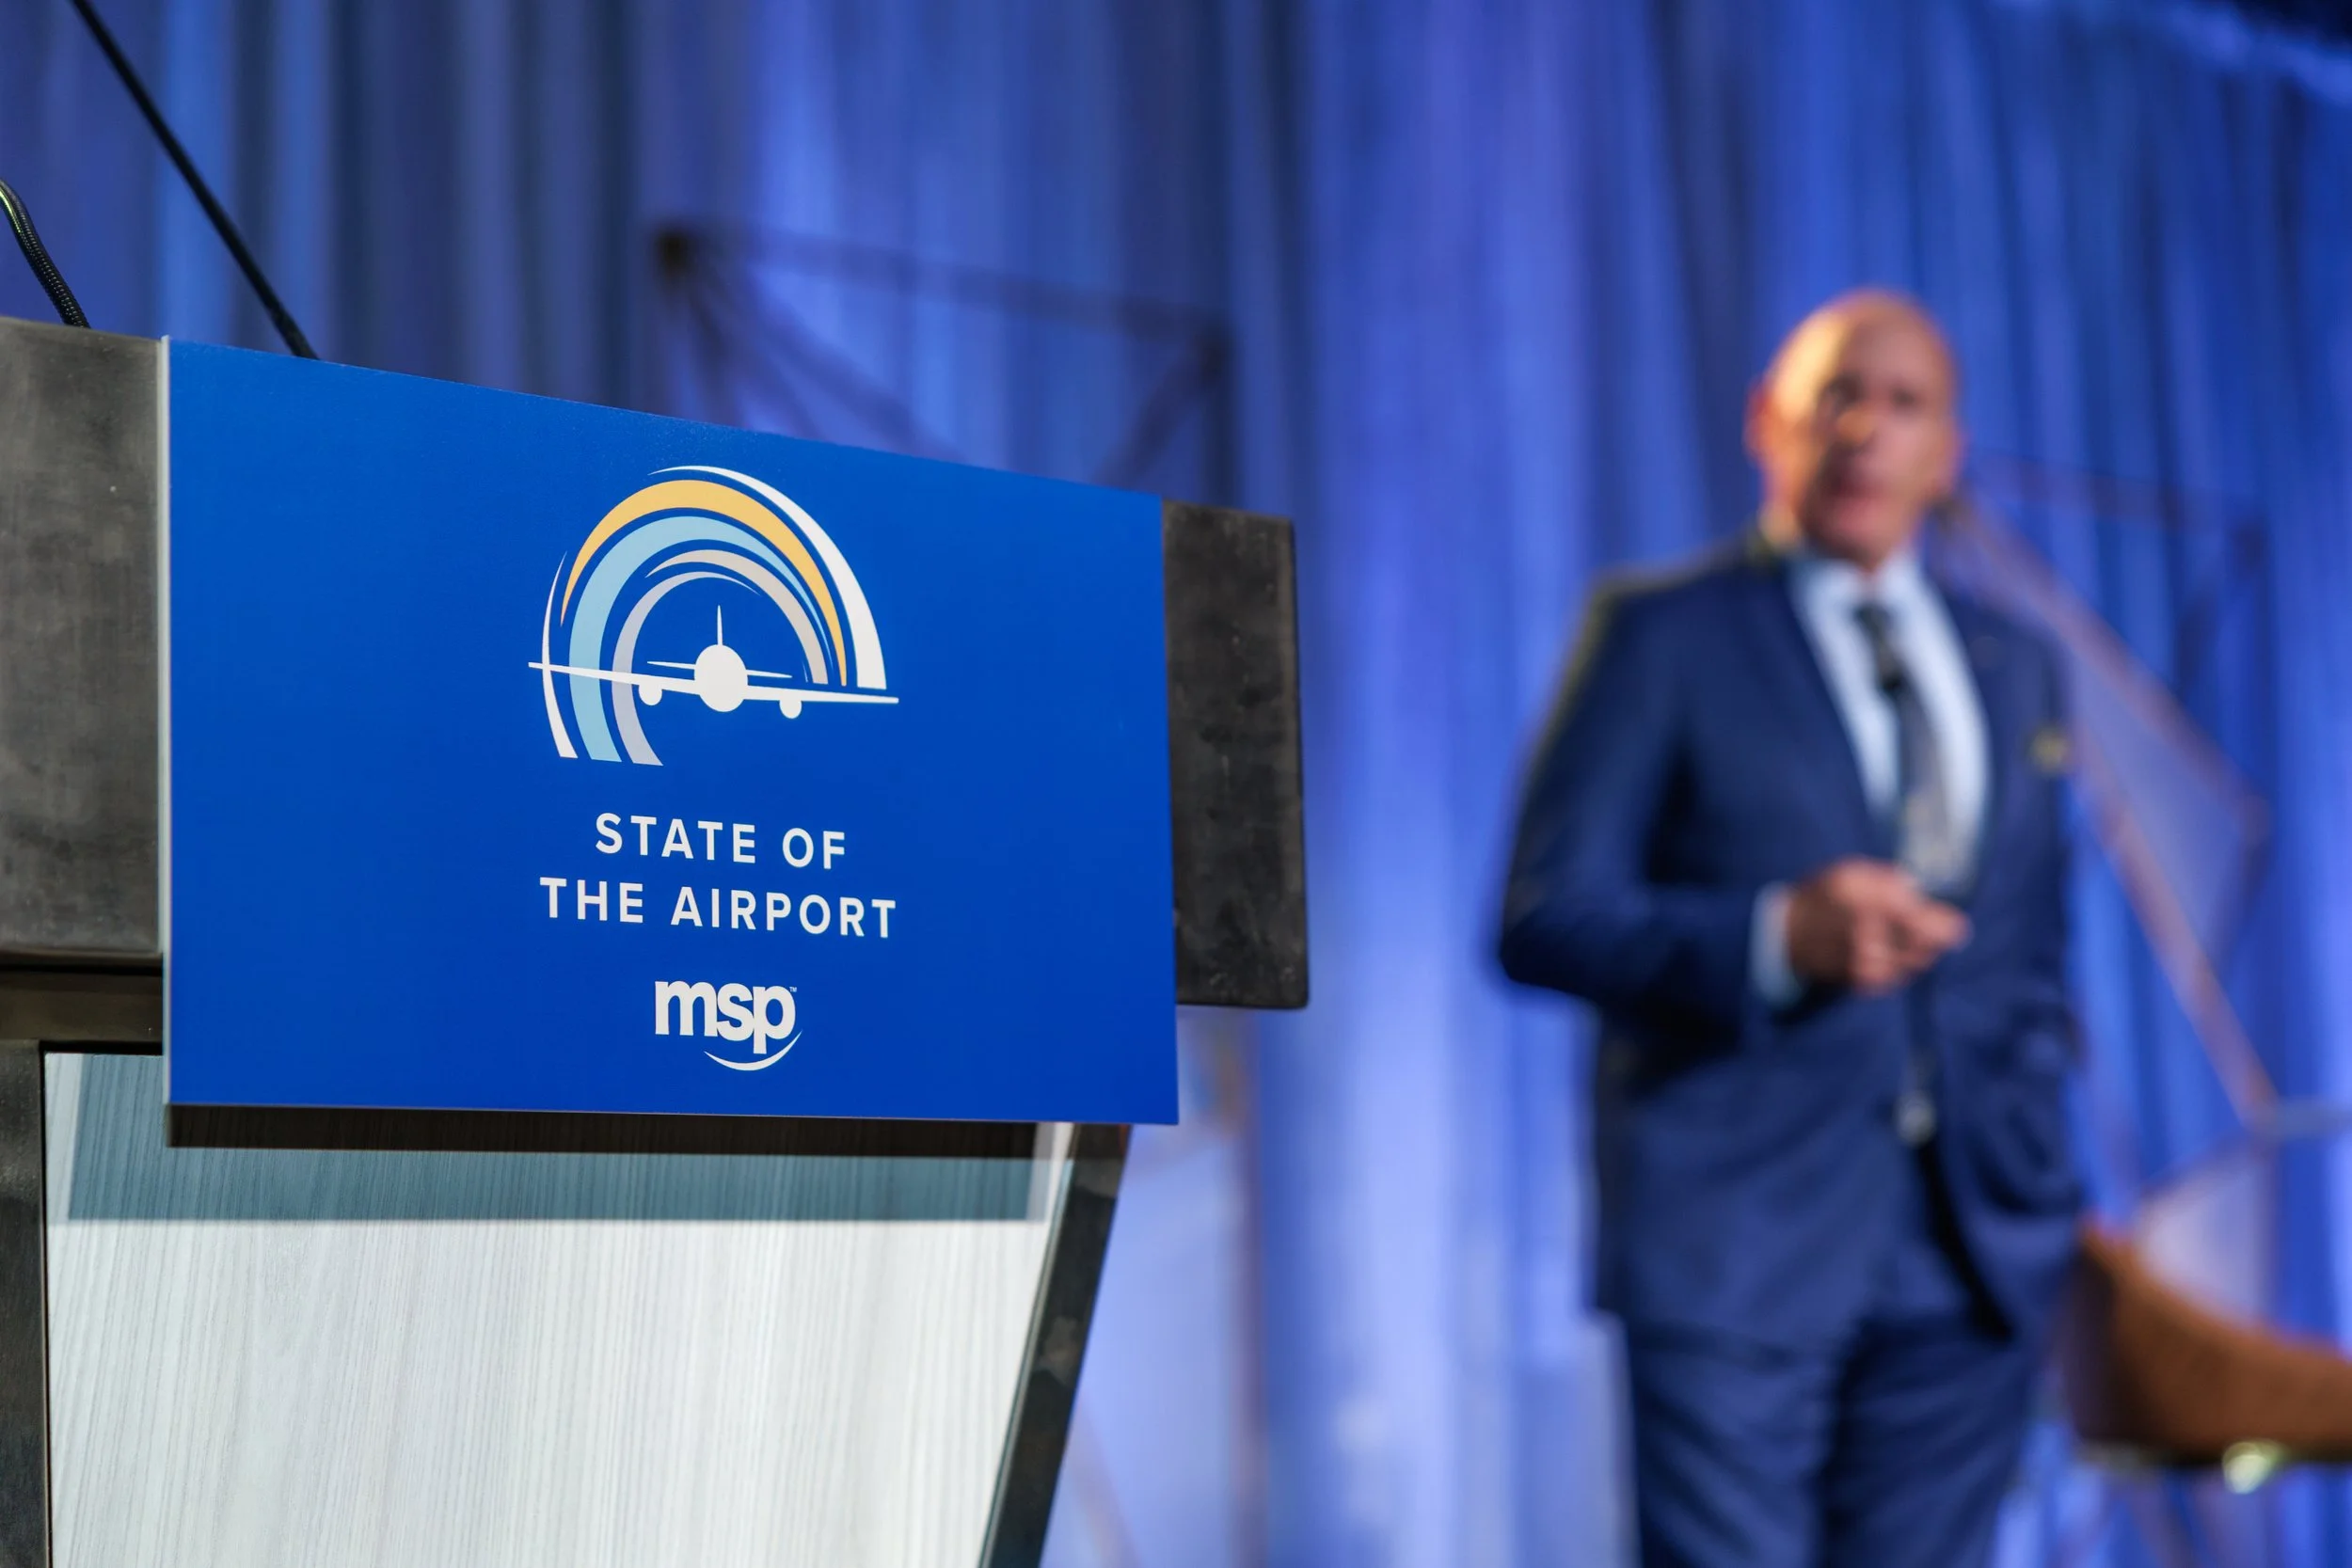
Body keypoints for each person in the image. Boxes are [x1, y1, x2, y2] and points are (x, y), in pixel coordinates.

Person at [1498, 291, 2080, 1568]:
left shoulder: (2018, 662)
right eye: (1835, 396)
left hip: (1973, 1255)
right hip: (1736, 1240)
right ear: (1768, 423)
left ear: (1950, 449)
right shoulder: (1660, 635)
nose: (1866, 428)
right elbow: (1545, 915)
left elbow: (2037, 947)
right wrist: (1772, 937)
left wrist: (2048, 1170)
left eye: (1904, 403)